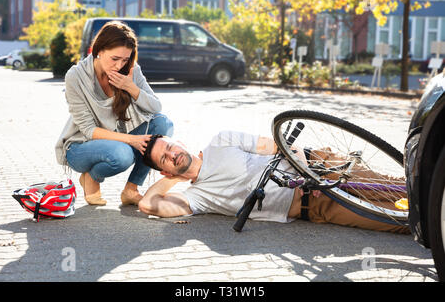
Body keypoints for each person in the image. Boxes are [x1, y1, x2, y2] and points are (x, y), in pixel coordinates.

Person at [128, 131, 409, 234]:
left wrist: (303, 164)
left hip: (318, 167)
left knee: (395, 187)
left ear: (181, 141)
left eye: (170, 147)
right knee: (400, 221)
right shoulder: (198, 197)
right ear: (165, 172)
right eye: (164, 159)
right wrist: (173, 180)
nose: (172, 154)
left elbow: (276, 145)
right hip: (315, 206)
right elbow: (150, 205)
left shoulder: (221, 141)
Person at [55, 21, 173, 206]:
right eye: (115, 58)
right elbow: (88, 129)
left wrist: (131, 87)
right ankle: (91, 177)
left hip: (116, 139)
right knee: (123, 154)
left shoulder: (131, 71)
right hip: (81, 146)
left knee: (163, 125)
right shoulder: (75, 76)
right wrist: (131, 140)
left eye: (125, 60)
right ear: (99, 50)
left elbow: (155, 107)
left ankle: (131, 189)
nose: (119, 65)